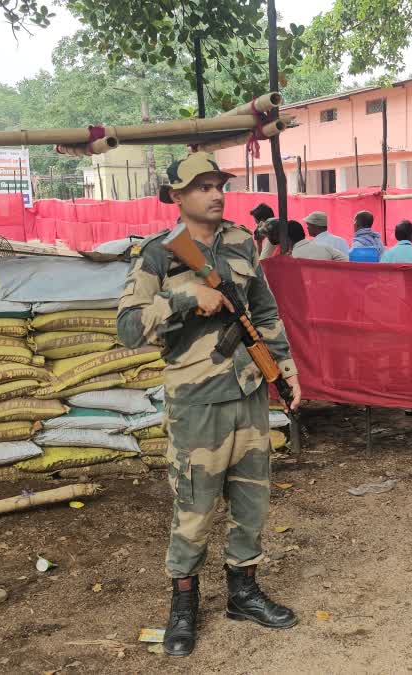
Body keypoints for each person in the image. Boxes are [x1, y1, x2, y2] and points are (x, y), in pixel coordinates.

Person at [117, 154, 303, 657]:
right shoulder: (158, 255)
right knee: (194, 508)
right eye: (202, 187)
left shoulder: (243, 242)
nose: (216, 194)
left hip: (247, 394)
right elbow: (128, 328)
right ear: (177, 197)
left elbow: (263, 309)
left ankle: (243, 593)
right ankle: (183, 606)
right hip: (196, 401)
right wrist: (184, 297)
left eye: (219, 184)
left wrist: (283, 367)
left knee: (252, 502)